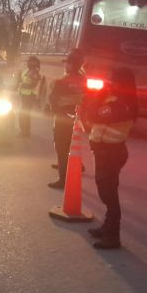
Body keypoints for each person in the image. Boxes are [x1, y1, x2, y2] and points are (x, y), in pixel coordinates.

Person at [82, 67, 138, 249]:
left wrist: (96, 100)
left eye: (113, 80)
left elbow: (93, 115)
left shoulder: (124, 103)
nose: (109, 83)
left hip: (112, 153)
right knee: (105, 190)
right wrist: (99, 98)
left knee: (109, 193)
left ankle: (113, 236)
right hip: (103, 151)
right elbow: (89, 112)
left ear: (123, 83)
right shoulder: (112, 98)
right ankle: (107, 227)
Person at [47, 50, 86, 189]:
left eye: (67, 63)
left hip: (63, 119)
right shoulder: (84, 80)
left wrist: (54, 111)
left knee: (61, 148)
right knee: (72, 144)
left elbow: (53, 101)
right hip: (78, 119)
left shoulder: (61, 81)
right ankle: (78, 165)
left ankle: (63, 179)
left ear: (71, 65)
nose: (65, 66)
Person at [16, 56, 42, 137]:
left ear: (35, 63)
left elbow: (33, 85)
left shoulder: (35, 72)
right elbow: (21, 80)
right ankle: (24, 131)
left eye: (30, 61)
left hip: (30, 96)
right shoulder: (27, 70)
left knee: (24, 114)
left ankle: (25, 132)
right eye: (28, 61)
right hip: (24, 95)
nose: (28, 63)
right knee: (23, 114)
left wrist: (22, 85)